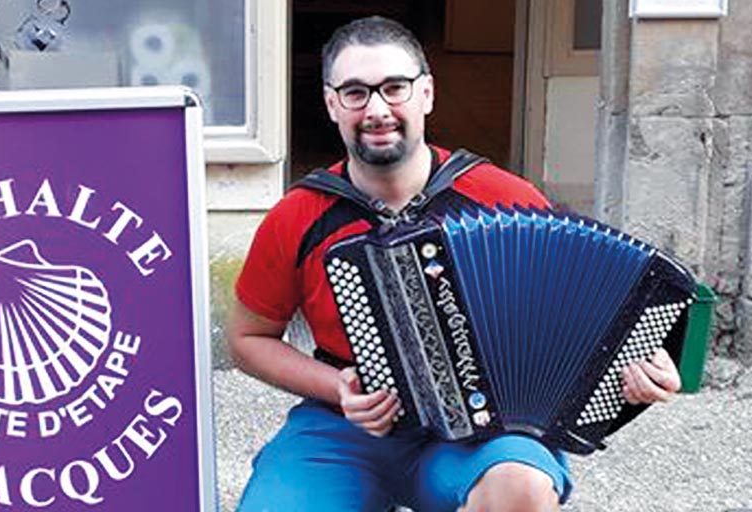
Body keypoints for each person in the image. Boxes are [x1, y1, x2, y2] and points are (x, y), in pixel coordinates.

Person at [227, 16, 683, 512]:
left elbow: (578, 320)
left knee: (522, 487)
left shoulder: (503, 199)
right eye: (355, 92)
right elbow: (248, 340)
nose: (377, 109)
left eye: (394, 88)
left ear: (426, 94)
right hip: (346, 426)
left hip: (484, 434)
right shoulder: (299, 214)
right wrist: (337, 386)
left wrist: (635, 373)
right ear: (332, 103)